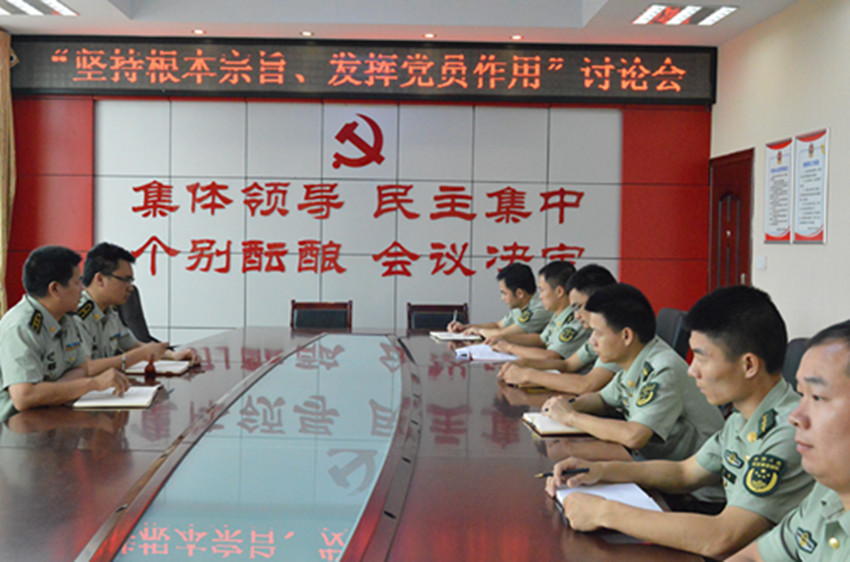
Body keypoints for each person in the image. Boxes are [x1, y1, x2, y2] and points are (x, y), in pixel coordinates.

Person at [544, 286, 815, 560]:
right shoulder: (742, 417)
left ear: (748, 366)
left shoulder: (788, 431)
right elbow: (684, 473)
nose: (691, 370)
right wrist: (602, 471)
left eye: (702, 357)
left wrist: (604, 512)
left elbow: (723, 537)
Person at [540, 283, 723, 464]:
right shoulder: (634, 358)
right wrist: (567, 406)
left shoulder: (663, 368)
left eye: (598, 333)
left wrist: (571, 417)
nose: (592, 341)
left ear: (626, 336)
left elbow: (634, 436)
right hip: (654, 462)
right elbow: (602, 399)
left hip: (695, 477)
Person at [729, 320, 850, 561]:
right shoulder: (828, 490)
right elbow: (754, 556)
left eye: (817, 397)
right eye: (801, 394)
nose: (795, 416)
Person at [0, 246, 130, 420]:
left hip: (53, 414)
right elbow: (24, 397)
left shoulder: (67, 318)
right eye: (77, 282)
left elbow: (82, 368)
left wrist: (49, 389)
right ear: (55, 289)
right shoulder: (21, 327)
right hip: (16, 427)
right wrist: (93, 384)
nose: (82, 289)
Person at [498, 264, 619, 394]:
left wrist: (529, 375)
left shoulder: (615, 336)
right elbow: (568, 364)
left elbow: (586, 384)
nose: (576, 315)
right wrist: (525, 363)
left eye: (579, 307)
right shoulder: (597, 334)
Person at [76, 242, 196, 369]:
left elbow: (133, 346)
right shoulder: (78, 315)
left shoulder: (110, 312)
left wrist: (172, 355)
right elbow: (87, 367)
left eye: (131, 281)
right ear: (100, 279)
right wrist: (140, 355)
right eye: (125, 280)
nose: (130, 288)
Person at [488, 261, 588, 360]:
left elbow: (551, 356)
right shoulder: (558, 314)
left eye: (542, 290)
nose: (540, 297)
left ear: (559, 292)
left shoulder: (577, 320)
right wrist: (504, 338)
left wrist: (509, 347)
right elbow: (541, 339)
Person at [447, 263, 551, 338]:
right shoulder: (521, 305)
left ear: (520, 293)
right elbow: (498, 326)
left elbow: (504, 334)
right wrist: (465, 328)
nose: (502, 298)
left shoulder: (539, 309)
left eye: (504, 293)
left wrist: (478, 331)